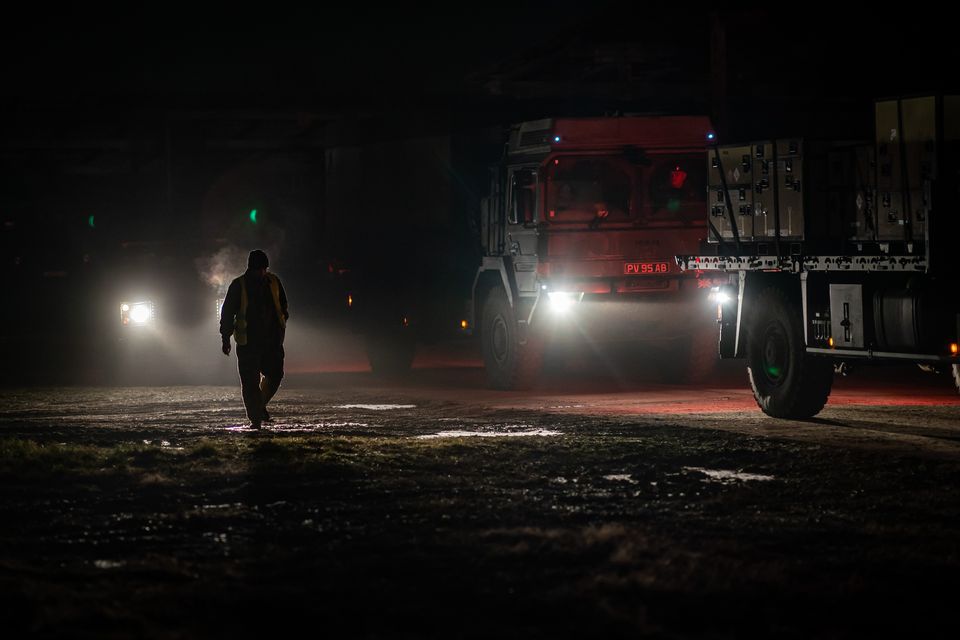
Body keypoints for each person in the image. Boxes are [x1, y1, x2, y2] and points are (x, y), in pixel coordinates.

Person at [220, 249, 289, 429]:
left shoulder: (273, 282)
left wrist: (282, 322)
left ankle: (258, 406)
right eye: (259, 269)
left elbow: (283, 304)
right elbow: (227, 314)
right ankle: (255, 420)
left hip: (272, 342)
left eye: (264, 269)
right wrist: (225, 338)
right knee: (250, 383)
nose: (262, 272)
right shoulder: (238, 285)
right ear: (251, 268)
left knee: (275, 375)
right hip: (248, 343)